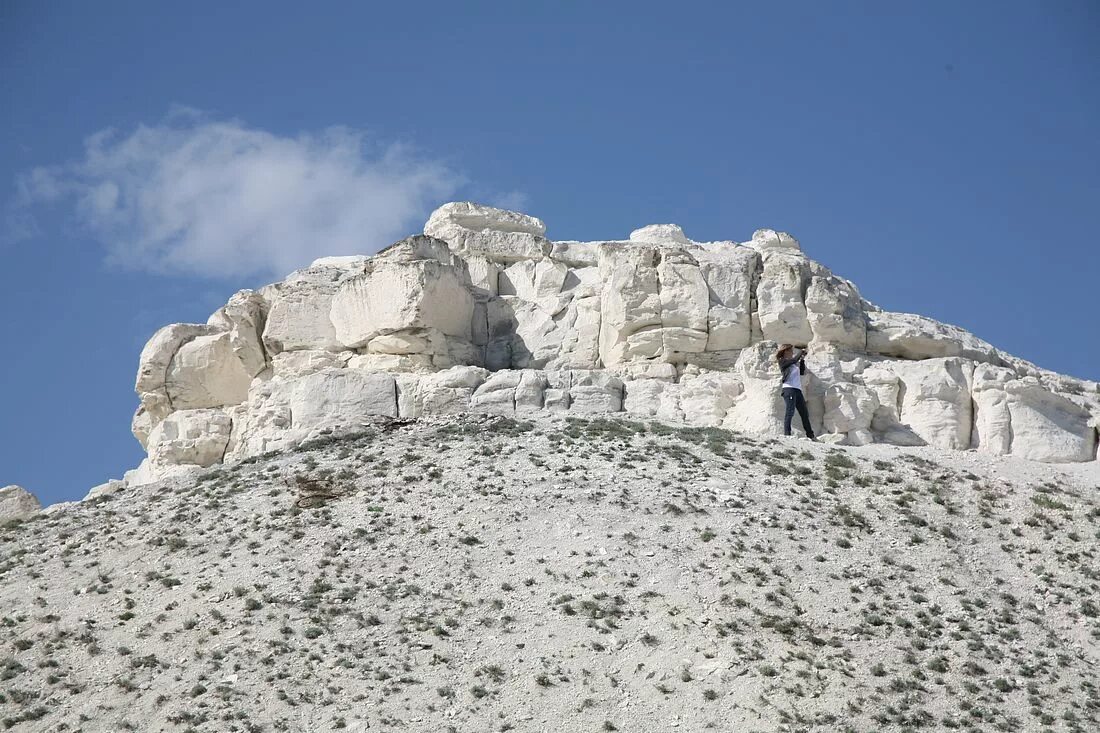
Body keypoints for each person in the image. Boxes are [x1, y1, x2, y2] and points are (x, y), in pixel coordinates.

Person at [776, 344, 815, 440]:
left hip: (797, 390)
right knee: (790, 412)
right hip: (789, 389)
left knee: (804, 413)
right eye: (791, 351)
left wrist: (802, 359)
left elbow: (801, 372)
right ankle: (787, 434)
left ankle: (811, 435)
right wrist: (800, 353)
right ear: (786, 351)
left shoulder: (793, 364)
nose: (793, 353)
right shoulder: (782, 361)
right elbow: (793, 360)